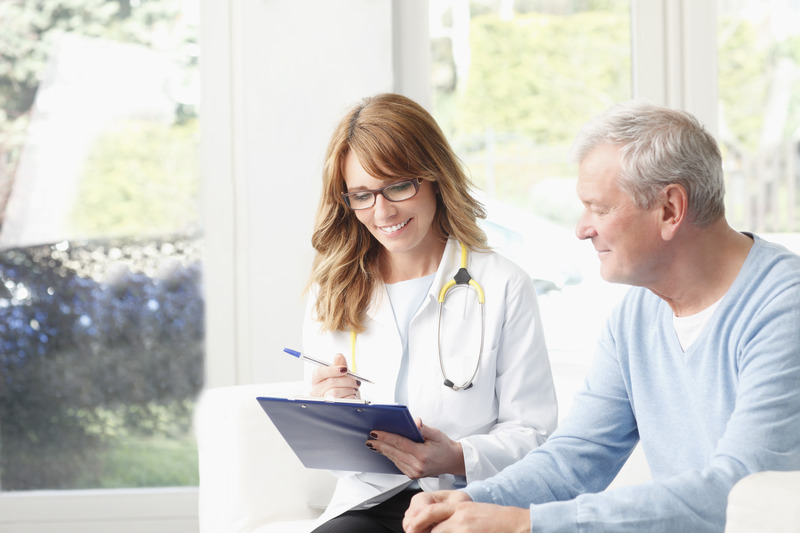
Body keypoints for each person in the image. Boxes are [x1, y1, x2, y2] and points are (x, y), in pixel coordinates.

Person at [403, 100, 800, 533]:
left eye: (599, 208)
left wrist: (524, 524)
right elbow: (577, 457)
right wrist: (471, 500)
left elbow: (738, 492)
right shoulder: (637, 314)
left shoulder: (783, 307)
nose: (581, 228)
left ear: (670, 209)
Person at [301, 93, 558, 533]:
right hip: (369, 500)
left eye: (398, 186)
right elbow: (329, 455)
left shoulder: (502, 284)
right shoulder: (333, 290)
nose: (382, 212)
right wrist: (330, 409)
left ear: (435, 176)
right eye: (362, 195)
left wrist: (455, 456)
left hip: (466, 499)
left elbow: (534, 435)